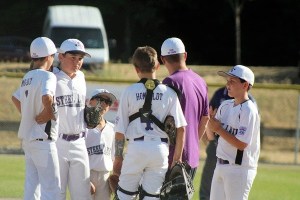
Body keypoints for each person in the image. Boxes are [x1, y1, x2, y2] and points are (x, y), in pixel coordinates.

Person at [113, 46, 187, 199]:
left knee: (124, 196)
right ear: (158, 65)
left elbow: (120, 131)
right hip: (159, 150)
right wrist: (177, 159)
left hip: (136, 148)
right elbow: (181, 129)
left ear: (136, 68)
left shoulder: (129, 91)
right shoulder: (170, 93)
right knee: (151, 197)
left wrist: (118, 157)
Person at [11, 37, 61, 200]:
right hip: (43, 140)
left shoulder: (28, 76)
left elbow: (15, 98)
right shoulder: (48, 76)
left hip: (29, 140)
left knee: (32, 186)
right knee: (51, 188)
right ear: (48, 57)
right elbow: (47, 96)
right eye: (53, 55)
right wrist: (50, 112)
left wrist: (27, 114)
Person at [207, 65, 260, 200]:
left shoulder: (249, 110)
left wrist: (218, 128)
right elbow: (212, 137)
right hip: (220, 165)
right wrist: (209, 122)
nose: (227, 85)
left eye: (232, 81)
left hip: (239, 169)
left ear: (245, 85)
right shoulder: (225, 106)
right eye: (227, 81)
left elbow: (242, 144)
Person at [161, 37, 209, 180]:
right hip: (192, 156)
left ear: (163, 60)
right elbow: (205, 118)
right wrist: (192, 142)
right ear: (185, 55)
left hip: (173, 157)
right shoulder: (200, 81)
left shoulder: (170, 82)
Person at [53, 38, 92, 200]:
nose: (77, 62)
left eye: (80, 58)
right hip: (57, 143)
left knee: (83, 195)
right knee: (56, 193)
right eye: (73, 57)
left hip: (79, 143)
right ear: (61, 56)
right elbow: (19, 97)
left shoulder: (81, 77)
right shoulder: (51, 76)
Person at [85, 89, 117, 200]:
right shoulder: (83, 127)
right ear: (90, 101)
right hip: (87, 173)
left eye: (108, 102)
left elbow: (114, 157)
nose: (104, 104)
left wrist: (115, 176)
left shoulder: (112, 128)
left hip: (105, 176)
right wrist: (84, 179)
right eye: (100, 99)